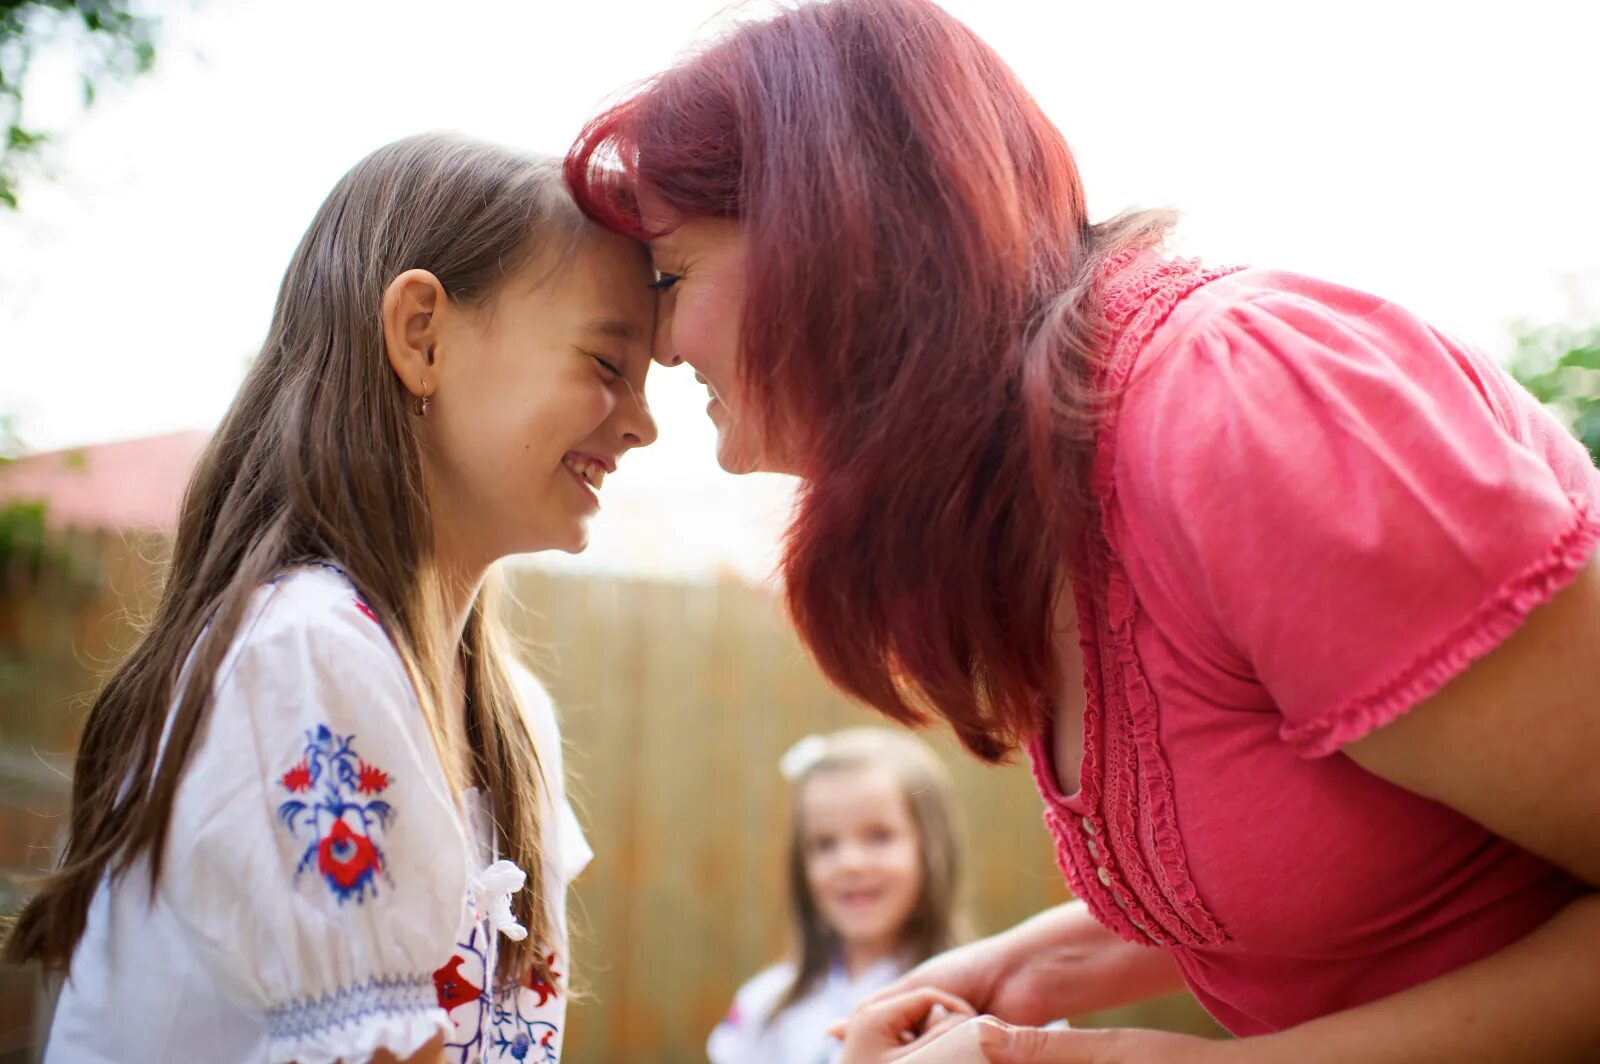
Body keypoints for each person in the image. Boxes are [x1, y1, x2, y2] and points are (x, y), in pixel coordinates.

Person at [563, 1, 1600, 1059]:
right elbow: (1361, 855)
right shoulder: (1041, 499)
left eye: (669, 274)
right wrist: (1030, 968)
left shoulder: (1242, 409)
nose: (658, 339)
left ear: (832, 231)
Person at [6, 133, 658, 1064]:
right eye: (606, 363)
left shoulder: (512, 719)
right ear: (420, 334)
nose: (642, 423)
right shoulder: (307, 652)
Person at [708, 728, 970, 1064]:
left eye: (879, 836)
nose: (850, 864)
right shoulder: (762, 1008)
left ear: (931, 848)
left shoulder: (988, 1006)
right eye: (825, 844)